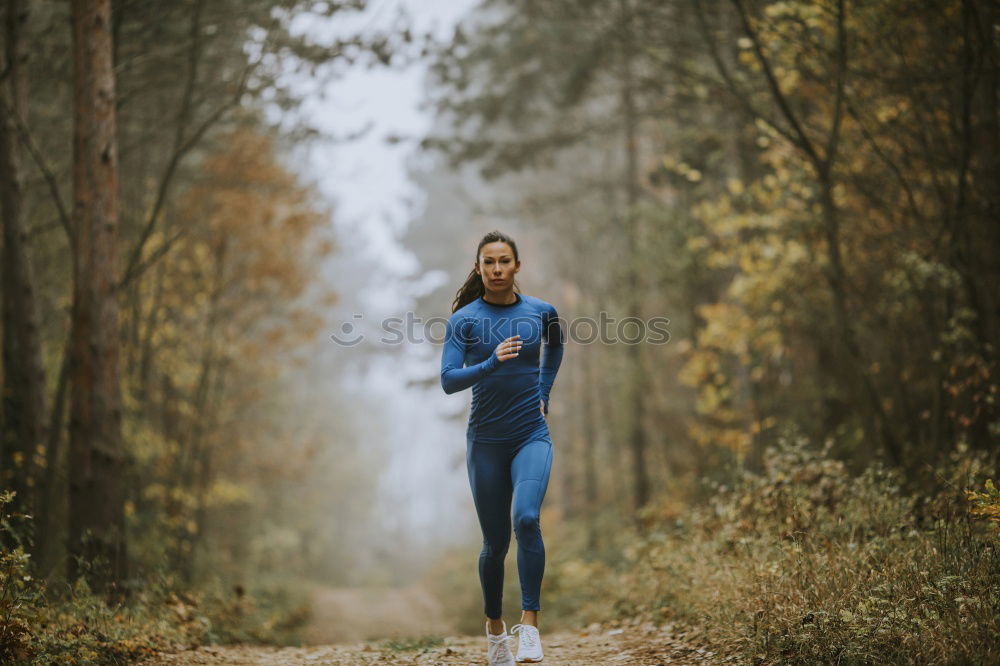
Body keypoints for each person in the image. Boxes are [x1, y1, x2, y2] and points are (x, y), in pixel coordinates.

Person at [440, 230, 564, 665]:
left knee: (527, 519)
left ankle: (529, 626)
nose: (496, 270)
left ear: (516, 266)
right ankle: (495, 630)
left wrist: (544, 390)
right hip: (487, 443)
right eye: (488, 263)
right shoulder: (465, 320)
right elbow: (448, 381)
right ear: (478, 268)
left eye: (504, 261)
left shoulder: (541, 312)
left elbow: (556, 344)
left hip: (531, 433)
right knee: (495, 544)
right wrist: (492, 361)